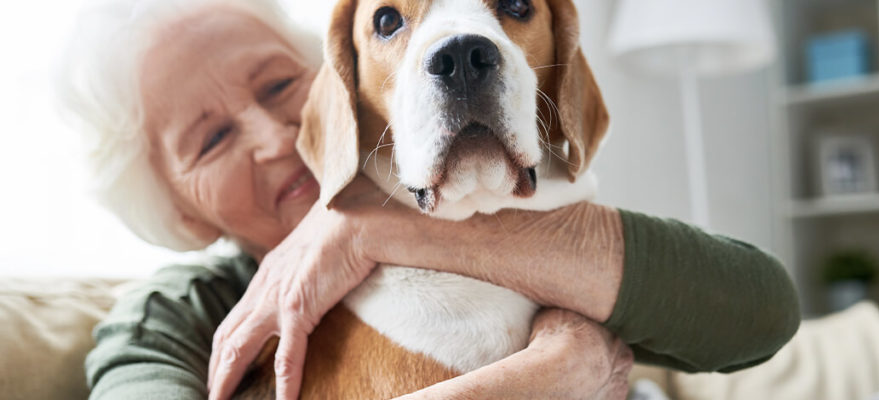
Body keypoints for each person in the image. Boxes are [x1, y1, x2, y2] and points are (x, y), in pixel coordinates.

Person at [56, 0, 801, 399]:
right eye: (211, 138)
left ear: (344, 87)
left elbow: (764, 313)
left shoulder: (498, 203)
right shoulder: (174, 317)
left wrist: (375, 233)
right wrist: (551, 375)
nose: (275, 137)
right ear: (181, 211)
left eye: (282, 86)